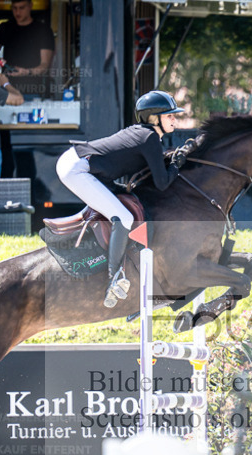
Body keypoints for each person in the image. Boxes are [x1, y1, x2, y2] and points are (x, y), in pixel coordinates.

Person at [56, 90, 187, 308]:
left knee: (130, 205)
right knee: (124, 218)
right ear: (154, 118)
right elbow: (162, 183)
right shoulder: (149, 137)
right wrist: (177, 163)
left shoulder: (146, 135)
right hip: (77, 168)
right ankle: (113, 278)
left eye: (174, 115)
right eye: (169, 115)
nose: (174, 119)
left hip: (82, 164)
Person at [0, 0, 55, 99]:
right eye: (14, 8)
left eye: (21, 8)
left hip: (33, 91)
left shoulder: (42, 30)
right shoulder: (5, 27)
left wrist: (26, 72)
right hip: (7, 91)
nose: (17, 12)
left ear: (30, 6)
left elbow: (45, 65)